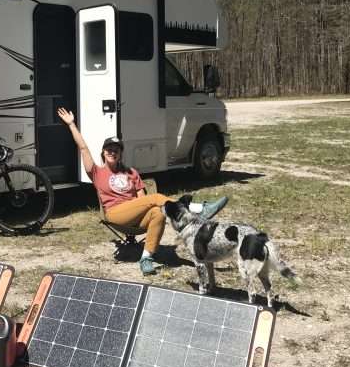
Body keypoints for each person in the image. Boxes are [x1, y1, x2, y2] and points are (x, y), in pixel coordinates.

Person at [56, 107, 227, 275]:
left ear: (120, 154)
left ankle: (146, 258)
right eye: (109, 149)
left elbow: (142, 199)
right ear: (103, 152)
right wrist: (71, 124)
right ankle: (199, 209)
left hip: (135, 217)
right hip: (115, 215)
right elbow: (84, 148)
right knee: (157, 198)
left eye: (116, 150)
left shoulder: (131, 173)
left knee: (157, 212)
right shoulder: (97, 172)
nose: (112, 152)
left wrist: (146, 208)